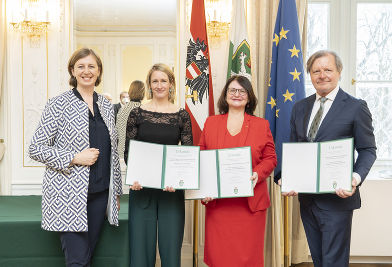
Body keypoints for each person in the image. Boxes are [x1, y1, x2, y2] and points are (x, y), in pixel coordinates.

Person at [280, 50, 376, 267]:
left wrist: (355, 177)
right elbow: (296, 150)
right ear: (310, 75)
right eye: (316, 71)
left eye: (327, 70)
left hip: (337, 198)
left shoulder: (355, 106)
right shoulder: (300, 107)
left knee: (334, 261)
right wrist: (287, 178)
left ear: (339, 72)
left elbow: (368, 149)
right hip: (307, 199)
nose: (322, 75)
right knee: (319, 259)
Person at [29, 48, 122, 267]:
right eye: (80, 66)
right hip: (67, 195)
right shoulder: (58, 104)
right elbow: (35, 148)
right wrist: (74, 157)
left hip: (100, 195)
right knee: (78, 261)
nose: (86, 71)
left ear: (99, 71)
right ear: (72, 71)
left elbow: (113, 153)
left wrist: (115, 191)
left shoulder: (107, 107)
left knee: (86, 256)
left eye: (91, 66)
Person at [200, 75, 277, 267]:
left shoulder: (262, 125)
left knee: (248, 259)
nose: (237, 94)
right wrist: (204, 189)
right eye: (232, 90)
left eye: (242, 91)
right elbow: (202, 159)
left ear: (249, 97)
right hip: (219, 206)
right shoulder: (211, 123)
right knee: (220, 258)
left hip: (250, 206)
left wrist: (257, 174)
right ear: (225, 95)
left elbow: (270, 159)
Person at [124, 63, 192, 267]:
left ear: (171, 84)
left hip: (171, 190)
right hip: (141, 187)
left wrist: (178, 180)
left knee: (171, 252)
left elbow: (187, 154)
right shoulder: (137, 114)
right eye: (155, 81)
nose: (159, 85)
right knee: (140, 251)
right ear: (149, 84)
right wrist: (134, 176)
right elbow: (129, 152)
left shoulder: (182, 115)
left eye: (164, 80)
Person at [116, 80, 145, 158]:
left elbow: (117, 132)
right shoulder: (142, 110)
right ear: (143, 92)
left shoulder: (122, 109)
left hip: (120, 152)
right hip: (134, 153)